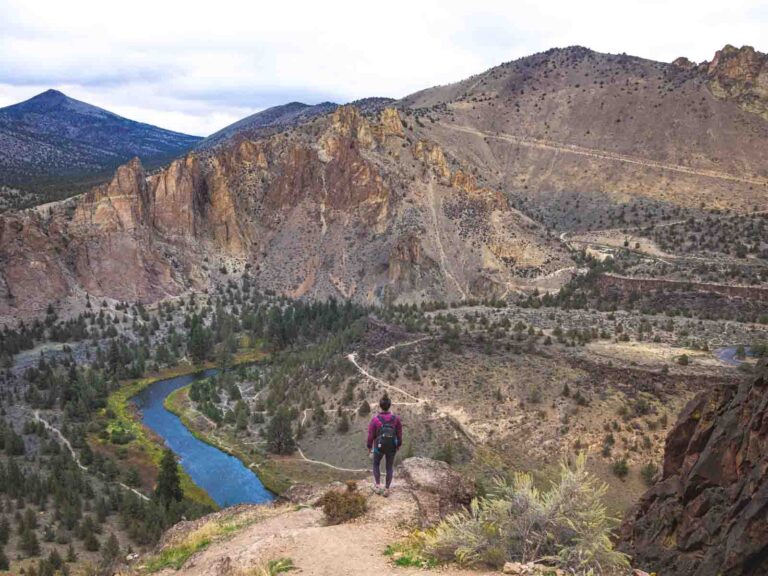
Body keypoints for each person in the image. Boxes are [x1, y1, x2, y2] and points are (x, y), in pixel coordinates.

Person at [366, 393, 402, 496]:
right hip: (392, 447)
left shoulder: (375, 420)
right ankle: (386, 489)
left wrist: (369, 447)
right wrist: (398, 445)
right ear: (389, 405)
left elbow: (370, 435)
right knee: (389, 467)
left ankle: (377, 486)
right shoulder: (396, 419)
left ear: (380, 406)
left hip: (379, 447)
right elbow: (399, 434)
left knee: (376, 464)